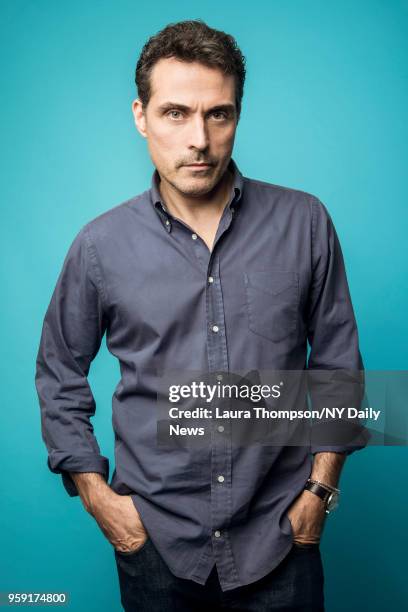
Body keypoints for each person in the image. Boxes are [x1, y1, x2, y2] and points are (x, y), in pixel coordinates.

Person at [35, 19, 367, 611]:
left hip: (281, 539)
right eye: (175, 113)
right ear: (141, 115)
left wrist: (321, 490)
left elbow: (340, 364)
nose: (199, 139)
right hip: (155, 546)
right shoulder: (99, 244)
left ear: (238, 114)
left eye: (219, 114)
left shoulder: (305, 222)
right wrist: (100, 500)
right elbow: (59, 373)